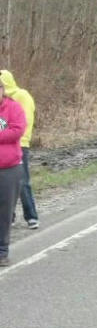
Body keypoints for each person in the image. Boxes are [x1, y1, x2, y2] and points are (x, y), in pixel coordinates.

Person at [1, 70, 37, 229]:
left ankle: (31, 216)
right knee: (9, 185)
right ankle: (11, 216)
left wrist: (18, 136)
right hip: (5, 145)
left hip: (20, 143)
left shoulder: (22, 95)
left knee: (22, 182)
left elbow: (25, 119)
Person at [0, 79, 26, 267]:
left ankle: (2, 251)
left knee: (5, 211)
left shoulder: (13, 108)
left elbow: (17, 130)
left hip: (9, 168)